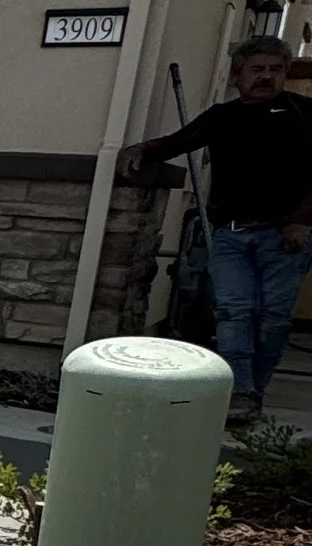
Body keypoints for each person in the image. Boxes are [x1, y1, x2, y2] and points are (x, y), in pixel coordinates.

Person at [123, 36, 312, 420]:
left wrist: (302, 221)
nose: (266, 77)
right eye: (257, 69)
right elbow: (179, 142)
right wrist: (140, 150)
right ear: (237, 75)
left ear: (285, 74)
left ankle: (254, 391)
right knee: (233, 311)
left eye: (275, 69)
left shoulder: (304, 114)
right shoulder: (222, 117)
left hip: (284, 236)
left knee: (272, 316)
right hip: (228, 233)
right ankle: (239, 392)